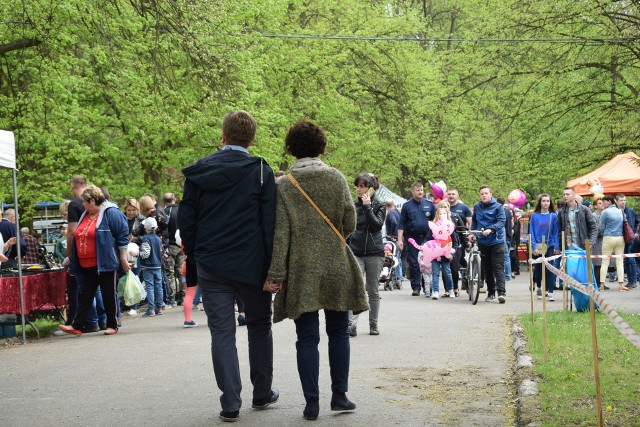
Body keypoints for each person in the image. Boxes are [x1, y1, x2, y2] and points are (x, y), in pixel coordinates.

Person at [179, 110, 278, 422]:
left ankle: (230, 402)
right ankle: (261, 393)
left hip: (212, 261)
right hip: (252, 262)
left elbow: (188, 220)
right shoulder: (261, 170)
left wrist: (195, 256)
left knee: (222, 332)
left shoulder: (199, 172)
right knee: (260, 325)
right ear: (251, 139)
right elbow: (269, 222)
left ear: (222, 137)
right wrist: (272, 266)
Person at [266, 119, 368, 421]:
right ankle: (340, 395)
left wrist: (276, 274)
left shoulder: (284, 186)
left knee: (306, 338)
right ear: (321, 145)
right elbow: (349, 222)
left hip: (301, 269)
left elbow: (280, 233)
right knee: (338, 332)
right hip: (335, 264)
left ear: (292, 149)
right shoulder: (336, 178)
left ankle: (312, 403)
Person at [59, 185, 130, 336]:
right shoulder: (86, 214)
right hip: (87, 264)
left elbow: (123, 233)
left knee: (108, 294)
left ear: (92, 200)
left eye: (84, 201)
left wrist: (123, 257)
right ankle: (77, 325)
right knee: (85, 295)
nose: (82, 204)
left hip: (105, 262)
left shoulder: (111, 213)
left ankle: (113, 324)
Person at [65, 175, 106, 332]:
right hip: (99, 252)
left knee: (85, 289)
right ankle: (104, 319)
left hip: (83, 253)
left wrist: (70, 254)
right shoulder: (102, 203)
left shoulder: (74, 205)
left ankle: (92, 321)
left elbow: (72, 232)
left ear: (73, 187)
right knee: (98, 289)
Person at [347, 173, 385, 337]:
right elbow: (347, 226)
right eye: (358, 185)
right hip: (356, 251)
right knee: (355, 288)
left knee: (373, 290)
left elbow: (376, 226)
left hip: (375, 252)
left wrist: (367, 206)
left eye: (363, 186)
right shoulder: (352, 205)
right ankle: (351, 324)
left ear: (371, 188)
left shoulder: (380, 205)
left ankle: (373, 324)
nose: (359, 189)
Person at [397, 182, 436, 296]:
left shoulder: (429, 204)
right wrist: (400, 240)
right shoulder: (407, 206)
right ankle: (415, 287)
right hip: (412, 238)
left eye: (422, 190)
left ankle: (426, 287)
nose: (420, 192)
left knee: (426, 263)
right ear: (412, 191)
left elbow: (435, 221)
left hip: (427, 238)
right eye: (418, 190)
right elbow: (401, 224)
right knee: (414, 263)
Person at [471, 185, 507, 303]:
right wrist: (472, 233)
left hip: (496, 241)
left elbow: (501, 221)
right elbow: (475, 221)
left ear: (491, 194)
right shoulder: (477, 207)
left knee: (498, 267)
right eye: (482, 194)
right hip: (482, 242)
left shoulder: (498, 206)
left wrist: (491, 229)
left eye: (486, 193)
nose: (484, 195)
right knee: (487, 269)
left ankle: (501, 293)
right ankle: (491, 292)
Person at [529, 194, 559, 301]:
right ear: (540, 202)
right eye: (543, 201)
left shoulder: (553, 216)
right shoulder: (534, 216)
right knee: (538, 269)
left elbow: (555, 232)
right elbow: (531, 232)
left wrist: (557, 246)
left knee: (550, 269)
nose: (546, 203)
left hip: (549, 245)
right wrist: (533, 246)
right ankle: (539, 287)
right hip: (538, 245)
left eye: (547, 201)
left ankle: (550, 292)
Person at [598, 194, 628, 291]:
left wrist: (603, 233)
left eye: (605, 202)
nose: (603, 203)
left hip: (608, 237)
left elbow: (601, 227)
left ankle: (602, 285)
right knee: (619, 262)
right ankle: (621, 285)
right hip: (620, 238)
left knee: (605, 261)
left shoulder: (605, 212)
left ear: (610, 201)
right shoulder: (620, 211)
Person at [429, 205, 460, 299]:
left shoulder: (450, 228)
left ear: (447, 215)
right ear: (437, 215)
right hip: (435, 254)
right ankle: (436, 291)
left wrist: (452, 251)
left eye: (444, 213)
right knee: (435, 273)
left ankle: (451, 290)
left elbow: (455, 241)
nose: (442, 215)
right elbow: (427, 238)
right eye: (440, 213)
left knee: (447, 272)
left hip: (446, 255)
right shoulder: (433, 227)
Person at [447, 188, 472, 290]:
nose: (451, 196)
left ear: (457, 196)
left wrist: (469, 236)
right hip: (447, 241)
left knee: (459, 260)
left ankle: (466, 275)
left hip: (460, 239)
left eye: (453, 194)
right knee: (453, 264)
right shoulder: (444, 208)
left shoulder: (464, 207)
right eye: (449, 194)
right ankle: (452, 287)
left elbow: (469, 223)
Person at [140, 217, 164, 317]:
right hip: (158, 266)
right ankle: (159, 308)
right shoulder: (158, 239)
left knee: (150, 287)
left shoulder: (146, 238)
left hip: (148, 266)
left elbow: (146, 254)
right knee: (159, 287)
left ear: (146, 227)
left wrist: (137, 253)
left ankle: (151, 309)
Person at [163, 192, 184, 306]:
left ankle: (171, 298)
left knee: (170, 273)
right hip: (182, 245)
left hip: (170, 245)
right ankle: (182, 297)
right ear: (174, 199)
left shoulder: (164, 212)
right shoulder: (182, 211)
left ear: (164, 201)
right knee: (180, 273)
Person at [615, 194, 637, 289]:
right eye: (621, 200)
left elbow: (637, 221)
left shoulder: (630, 211)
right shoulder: (615, 212)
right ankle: (630, 280)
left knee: (631, 259)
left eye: (624, 200)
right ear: (616, 201)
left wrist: (636, 232)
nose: (623, 202)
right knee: (625, 260)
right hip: (620, 238)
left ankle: (633, 281)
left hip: (630, 238)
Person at [384, 200, 403, 289]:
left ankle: (397, 279)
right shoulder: (397, 212)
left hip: (393, 238)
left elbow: (394, 222)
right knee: (398, 258)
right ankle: (399, 279)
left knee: (394, 258)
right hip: (399, 237)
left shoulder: (390, 213)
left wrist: (392, 235)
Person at [592, 196, 605, 287]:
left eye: (603, 203)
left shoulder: (603, 214)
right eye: (600, 203)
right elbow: (595, 229)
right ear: (595, 206)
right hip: (597, 241)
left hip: (603, 241)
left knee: (602, 261)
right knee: (597, 262)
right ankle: (596, 282)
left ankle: (601, 282)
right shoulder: (594, 215)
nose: (602, 204)